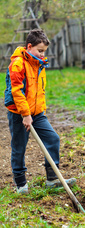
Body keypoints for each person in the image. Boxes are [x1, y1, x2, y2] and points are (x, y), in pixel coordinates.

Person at [4, 29, 76, 194]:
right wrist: (25, 114)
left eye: (44, 51)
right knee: (19, 147)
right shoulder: (18, 63)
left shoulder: (39, 63)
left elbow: (39, 91)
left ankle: (52, 178)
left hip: (37, 114)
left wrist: (38, 112)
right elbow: (17, 91)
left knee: (53, 139)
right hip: (19, 113)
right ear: (29, 46)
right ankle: (21, 184)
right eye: (40, 50)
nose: (43, 54)